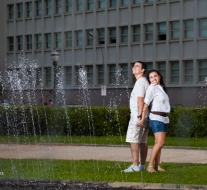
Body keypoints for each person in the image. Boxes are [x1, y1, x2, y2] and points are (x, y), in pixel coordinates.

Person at [138, 69, 170, 172]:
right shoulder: (152, 88)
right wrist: (142, 118)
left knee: (159, 143)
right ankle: (150, 166)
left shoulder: (161, 88)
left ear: (159, 77)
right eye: (151, 77)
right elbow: (146, 104)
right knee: (160, 142)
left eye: (155, 76)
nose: (153, 79)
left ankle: (157, 166)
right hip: (156, 118)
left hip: (164, 118)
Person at [123, 61, 149, 172]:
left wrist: (139, 115)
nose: (134, 67)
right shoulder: (144, 82)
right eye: (133, 66)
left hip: (138, 116)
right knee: (143, 141)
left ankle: (135, 166)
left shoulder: (140, 82)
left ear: (143, 70)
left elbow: (140, 99)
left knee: (133, 140)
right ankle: (142, 166)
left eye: (137, 66)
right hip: (145, 115)